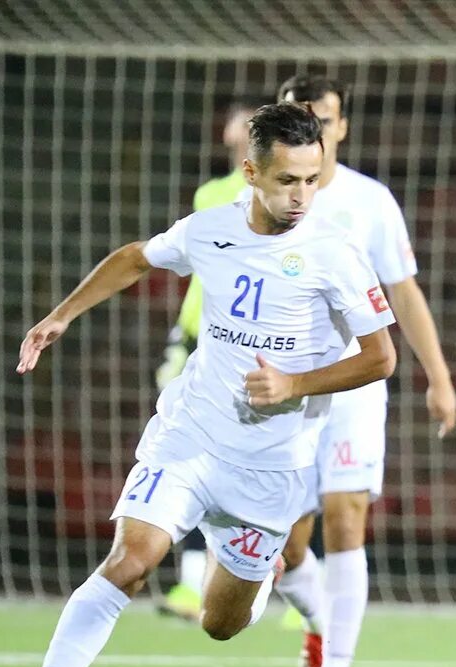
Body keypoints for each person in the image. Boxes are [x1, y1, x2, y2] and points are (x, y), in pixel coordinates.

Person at [1, 103, 397, 667]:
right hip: (189, 437)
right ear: (251, 172)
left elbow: (382, 357)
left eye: (311, 177)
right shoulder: (209, 229)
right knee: (129, 562)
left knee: (221, 624)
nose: (301, 194)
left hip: (271, 467)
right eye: (286, 180)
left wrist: (294, 385)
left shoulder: (335, 252)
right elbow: (135, 257)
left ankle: (267, 568)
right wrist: (61, 315)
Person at [263, 74, 456, 667]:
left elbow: (403, 292)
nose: (315, 123)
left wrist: (437, 374)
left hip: (352, 381)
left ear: (341, 126)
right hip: (281, 381)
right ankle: (321, 625)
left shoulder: (371, 201)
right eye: (302, 113)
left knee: (347, 517)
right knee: (287, 539)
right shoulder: (263, 200)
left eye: (325, 115)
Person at [155, 98, 259, 624]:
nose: (237, 130)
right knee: (198, 454)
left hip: (258, 344)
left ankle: (280, 579)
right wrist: (180, 337)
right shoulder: (211, 195)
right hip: (206, 343)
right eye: (234, 122)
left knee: (266, 461)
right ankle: (193, 581)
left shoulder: (280, 193)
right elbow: (199, 277)